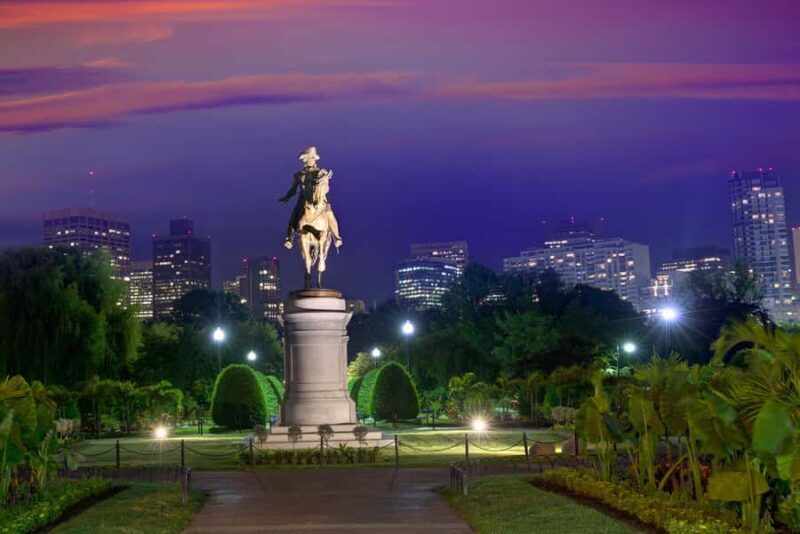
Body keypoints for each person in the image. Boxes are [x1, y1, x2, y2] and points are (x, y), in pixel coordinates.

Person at [279, 146, 342, 249]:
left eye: (312, 158)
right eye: (308, 158)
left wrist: (323, 184)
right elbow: (293, 189)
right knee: (294, 215)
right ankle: (289, 238)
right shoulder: (300, 175)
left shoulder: (322, 172)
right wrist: (286, 197)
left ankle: (336, 237)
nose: (310, 160)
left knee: (330, 214)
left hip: (320, 200)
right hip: (303, 200)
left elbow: (327, 188)